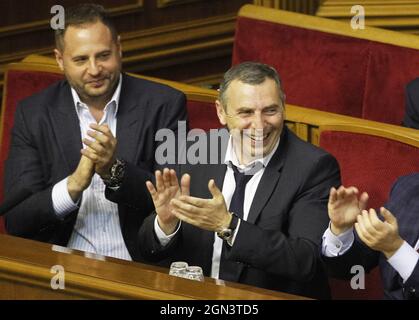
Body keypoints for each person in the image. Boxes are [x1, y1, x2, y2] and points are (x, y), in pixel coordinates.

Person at [138, 62, 341, 299]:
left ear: (284, 107)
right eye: (246, 112)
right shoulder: (193, 151)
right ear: (221, 112)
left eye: (270, 110)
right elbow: (148, 251)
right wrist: (166, 225)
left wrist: (228, 225)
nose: (259, 124)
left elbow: (305, 261)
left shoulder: (313, 167)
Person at [3, 3, 187, 262]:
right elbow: (17, 219)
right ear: (59, 60)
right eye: (80, 59)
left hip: (138, 267)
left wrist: (114, 170)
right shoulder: (34, 114)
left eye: (103, 55)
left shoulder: (164, 105)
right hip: (62, 266)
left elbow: (173, 199)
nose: (94, 69)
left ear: (119, 48)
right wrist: (74, 184)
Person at [321, 173, 419, 299]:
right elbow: (352, 266)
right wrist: (341, 231)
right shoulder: (410, 186)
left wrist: (396, 250)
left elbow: (392, 246)